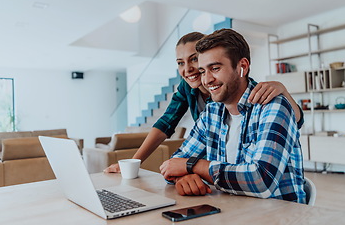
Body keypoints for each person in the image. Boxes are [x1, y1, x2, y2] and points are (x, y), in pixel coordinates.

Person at [104, 32, 303, 173]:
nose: (189, 69)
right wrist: (135, 162)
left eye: (194, 60)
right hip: (219, 172)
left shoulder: (250, 94)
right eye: (180, 63)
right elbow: (166, 125)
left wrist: (284, 92)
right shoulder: (193, 94)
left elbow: (288, 119)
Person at [159, 29, 306, 204]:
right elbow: (173, 164)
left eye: (215, 68)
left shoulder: (273, 106)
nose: (206, 80)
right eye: (203, 71)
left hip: (279, 215)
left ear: (242, 67)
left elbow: (262, 181)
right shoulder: (211, 113)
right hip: (230, 211)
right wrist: (182, 178)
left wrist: (193, 166)